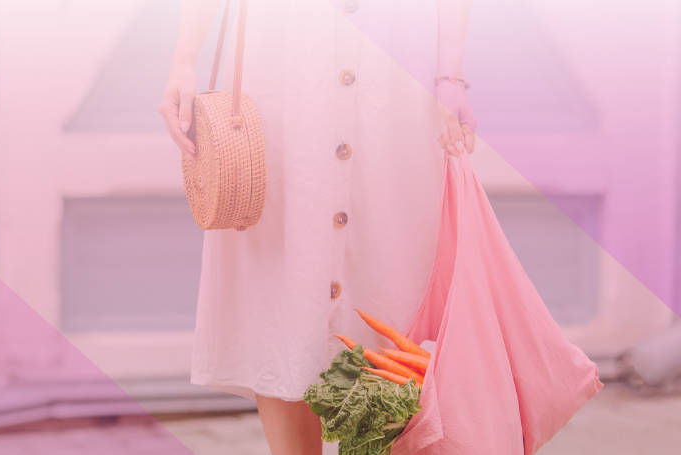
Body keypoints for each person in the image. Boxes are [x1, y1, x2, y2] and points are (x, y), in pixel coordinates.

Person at [159, 1, 475, 453]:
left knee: (393, 277)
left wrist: (450, 75)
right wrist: (183, 59)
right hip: (285, 50)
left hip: (397, 59)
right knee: (283, 279)